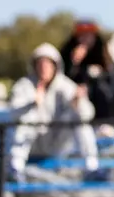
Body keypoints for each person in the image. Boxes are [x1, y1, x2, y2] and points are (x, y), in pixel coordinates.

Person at [8, 43, 103, 181]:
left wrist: (78, 103)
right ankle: (15, 168)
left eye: (47, 64)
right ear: (34, 66)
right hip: (32, 145)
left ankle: (91, 167)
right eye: (40, 64)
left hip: (57, 143)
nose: (43, 68)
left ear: (55, 66)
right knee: (26, 117)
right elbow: (13, 113)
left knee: (78, 118)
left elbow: (88, 114)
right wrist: (32, 104)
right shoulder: (24, 85)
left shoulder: (66, 85)